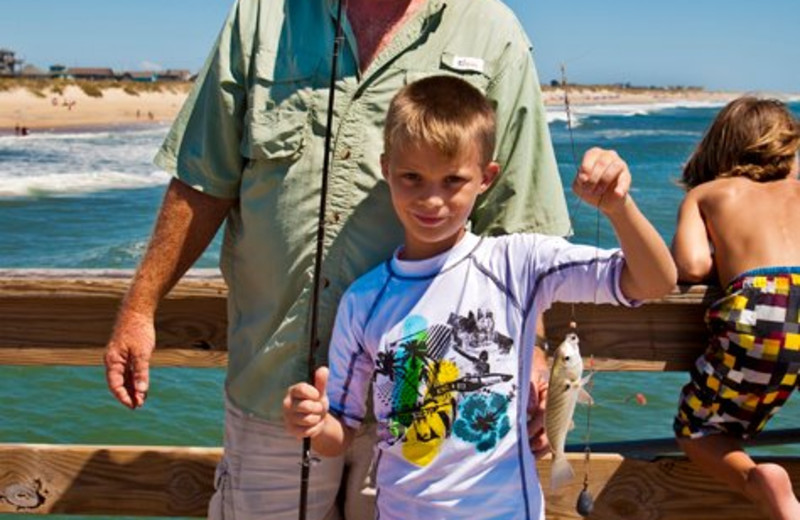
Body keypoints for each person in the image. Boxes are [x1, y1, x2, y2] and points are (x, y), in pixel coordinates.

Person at [103, 1, 571, 518]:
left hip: (423, 409)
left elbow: (519, 218)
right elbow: (202, 177)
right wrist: (139, 306)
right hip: (277, 392)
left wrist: (535, 350)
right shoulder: (262, 15)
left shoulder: (492, 30)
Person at [283, 75, 676, 519]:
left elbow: (653, 282)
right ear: (385, 169)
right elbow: (339, 431)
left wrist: (619, 208)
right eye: (412, 177)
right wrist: (313, 423)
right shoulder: (363, 300)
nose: (432, 199)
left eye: (452, 180)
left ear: (487, 178)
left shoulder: (519, 263)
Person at [672, 97, 800, 520]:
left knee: (700, 429)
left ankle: (755, 480)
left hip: (761, 310)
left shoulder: (708, 194)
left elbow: (690, 265)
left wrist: (727, 258)